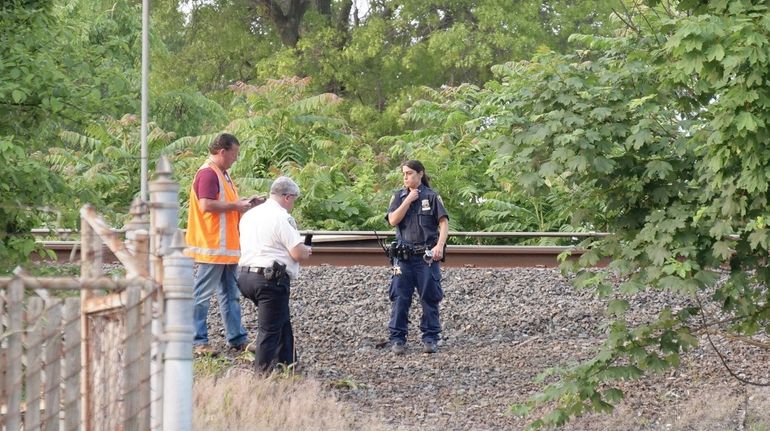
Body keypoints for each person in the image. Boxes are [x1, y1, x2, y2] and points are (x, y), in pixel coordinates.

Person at [185, 133, 262, 356]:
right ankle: (198, 341)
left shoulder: (222, 175)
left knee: (230, 294)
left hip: (225, 249)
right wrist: (235, 206)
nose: (236, 158)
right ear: (223, 152)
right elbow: (206, 205)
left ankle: (237, 338)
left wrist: (245, 203)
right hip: (212, 247)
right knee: (203, 295)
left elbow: (224, 204)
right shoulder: (208, 174)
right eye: (234, 154)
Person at [237, 176, 312, 374]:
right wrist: (307, 251)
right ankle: (262, 376)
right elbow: (296, 252)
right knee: (269, 330)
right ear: (287, 197)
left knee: (281, 319)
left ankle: (288, 363)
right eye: (294, 199)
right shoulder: (282, 217)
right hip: (270, 280)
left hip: (245, 277)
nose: (293, 204)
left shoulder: (250, 215)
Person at [386, 160, 449, 355]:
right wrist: (408, 200)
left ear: (420, 174)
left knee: (429, 297)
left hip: (426, 257)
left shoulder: (431, 197)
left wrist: (439, 245)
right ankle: (398, 338)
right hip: (403, 257)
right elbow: (392, 220)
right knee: (400, 297)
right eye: (404, 174)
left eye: (410, 173)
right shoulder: (398, 196)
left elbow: (444, 223)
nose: (406, 177)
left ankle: (430, 337)